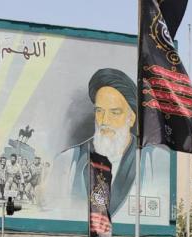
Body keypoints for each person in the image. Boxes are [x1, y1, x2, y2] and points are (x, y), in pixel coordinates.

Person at [48, 67, 170, 220]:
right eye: (99, 111)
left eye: (115, 112)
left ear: (131, 118)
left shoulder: (154, 161)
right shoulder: (67, 161)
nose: (104, 121)